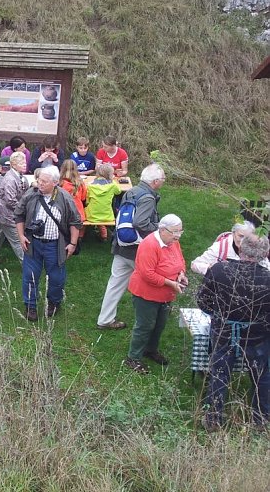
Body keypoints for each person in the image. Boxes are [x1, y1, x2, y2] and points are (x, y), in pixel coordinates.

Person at [198, 234, 270, 430]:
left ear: (240, 249)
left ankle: (213, 418)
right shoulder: (268, 278)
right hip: (257, 337)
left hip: (224, 332)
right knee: (261, 376)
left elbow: (203, 301)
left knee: (219, 374)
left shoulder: (219, 270)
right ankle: (261, 419)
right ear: (265, 254)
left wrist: (220, 316)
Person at [95, 163, 165, 330]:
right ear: (155, 181)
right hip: (137, 250)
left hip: (121, 245)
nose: (163, 181)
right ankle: (151, 321)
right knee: (152, 282)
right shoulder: (147, 198)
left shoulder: (132, 191)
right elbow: (140, 222)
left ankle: (104, 320)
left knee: (115, 284)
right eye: (162, 179)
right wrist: (159, 229)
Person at [14, 165, 81, 321]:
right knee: (30, 276)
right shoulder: (31, 195)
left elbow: (76, 221)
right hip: (33, 243)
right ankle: (30, 306)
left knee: (56, 277)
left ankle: (54, 303)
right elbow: (19, 215)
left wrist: (72, 244)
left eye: (44, 181)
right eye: (39, 180)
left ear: (55, 183)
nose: (40, 183)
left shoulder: (64, 198)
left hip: (55, 245)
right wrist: (21, 236)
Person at [123, 214, 187, 374]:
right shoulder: (149, 245)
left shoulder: (173, 242)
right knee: (145, 326)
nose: (178, 235)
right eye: (174, 232)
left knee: (159, 325)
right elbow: (147, 274)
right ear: (162, 230)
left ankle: (150, 350)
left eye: (180, 231)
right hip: (146, 293)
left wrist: (181, 274)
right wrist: (170, 283)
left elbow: (180, 261)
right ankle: (133, 358)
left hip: (165, 295)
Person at [0, 151, 28, 264]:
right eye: (21, 163)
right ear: (14, 165)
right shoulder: (10, 179)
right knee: (17, 239)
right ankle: (27, 265)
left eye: (24, 162)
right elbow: (10, 200)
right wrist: (23, 210)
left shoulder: (18, 175)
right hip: (6, 214)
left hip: (4, 212)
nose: (25, 164)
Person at [191, 222, 269, 275]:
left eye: (247, 237)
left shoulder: (257, 248)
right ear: (233, 233)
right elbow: (195, 265)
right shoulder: (220, 247)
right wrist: (214, 268)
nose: (243, 240)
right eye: (241, 236)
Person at [84, 163, 123, 240]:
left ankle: (81, 235)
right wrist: (113, 181)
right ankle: (104, 235)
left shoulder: (89, 185)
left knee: (85, 208)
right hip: (107, 216)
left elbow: (87, 200)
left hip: (92, 216)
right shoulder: (113, 185)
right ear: (110, 174)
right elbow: (118, 191)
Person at [59, 159, 87, 225]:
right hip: (78, 214)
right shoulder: (80, 183)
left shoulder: (60, 183)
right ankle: (80, 235)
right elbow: (83, 198)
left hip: (64, 214)